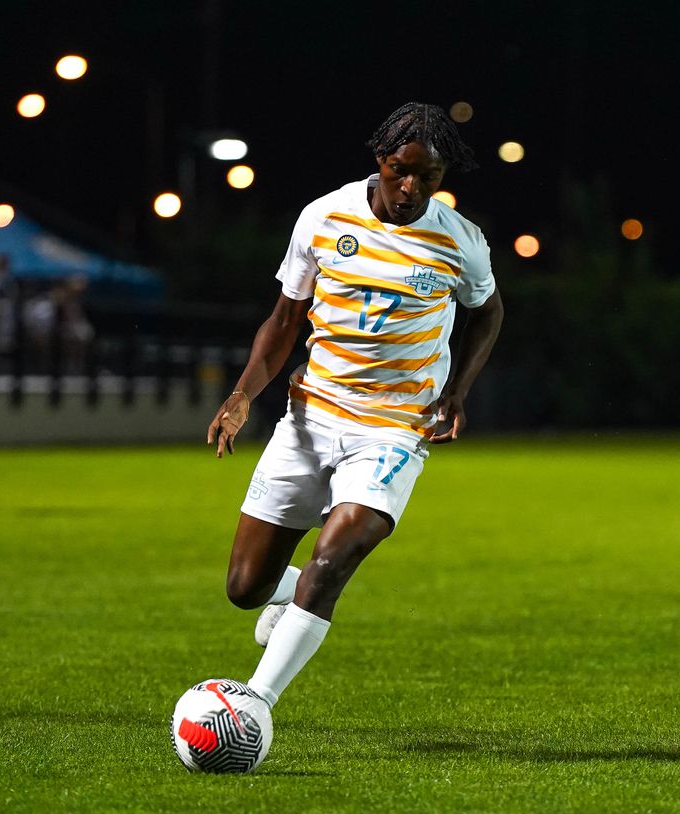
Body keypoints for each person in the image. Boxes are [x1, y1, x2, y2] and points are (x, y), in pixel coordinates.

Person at [206, 103, 504, 712]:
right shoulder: (323, 216)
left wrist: (457, 393)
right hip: (311, 418)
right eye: (400, 170)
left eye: (428, 176)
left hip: (394, 429)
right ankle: (296, 594)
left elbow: (489, 312)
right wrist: (241, 397)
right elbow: (286, 318)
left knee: (336, 555)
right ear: (381, 160)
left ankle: (255, 704)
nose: (411, 188)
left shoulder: (460, 241)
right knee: (245, 587)